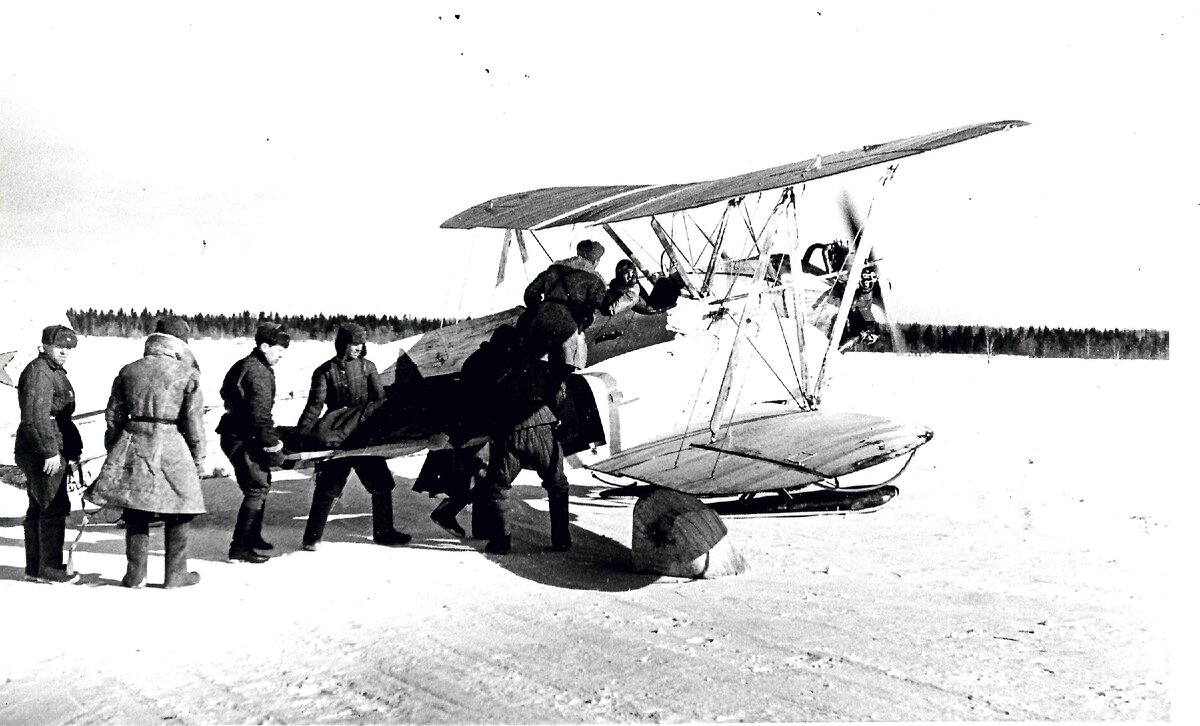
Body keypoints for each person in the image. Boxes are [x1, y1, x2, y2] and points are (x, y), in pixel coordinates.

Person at [85, 330, 206, 588]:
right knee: (180, 508)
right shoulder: (187, 374)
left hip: (134, 440)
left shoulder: (128, 371)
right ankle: (176, 575)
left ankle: (135, 574)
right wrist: (198, 459)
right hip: (172, 442)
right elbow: (194, 423)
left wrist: (115, 448)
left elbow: (113, 416)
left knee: (135, 506)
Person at [296, 323, 411, 551]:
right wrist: (303, 435)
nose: (358, 347)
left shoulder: (369, 368)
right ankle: (312, 538)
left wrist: (388, 430)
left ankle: (384, 532)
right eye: (353, 343)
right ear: (342, 344)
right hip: (337, 435)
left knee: (382, 484)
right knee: (328, 487)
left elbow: (381, 402)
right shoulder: (325, 372)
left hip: (365, 435)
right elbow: (314, 407)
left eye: (361, 343)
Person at [479, 351, 574, 555]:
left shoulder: (497, 367)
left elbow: (487, 404)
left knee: (498, 486)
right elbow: (559, 394)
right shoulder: (542, 366)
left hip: (510, 432)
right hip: (543, 428)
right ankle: (561, 539)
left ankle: (501, 542)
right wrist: (552, 417)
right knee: (557, 485)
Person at [14, 325, 84, 584]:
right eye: (59, 347)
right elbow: (34, 418)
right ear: (45, 345)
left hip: (48, 445)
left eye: (69, 348)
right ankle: (49, 567)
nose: (65, 351)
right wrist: (49, 452)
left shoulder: (51, 371)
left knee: (39, 505)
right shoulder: (39, 373)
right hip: (41, 449)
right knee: (52, 505)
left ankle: (36, 566)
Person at [217, 322, 290, 563]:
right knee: (256, 488)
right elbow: (260, 417)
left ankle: (253, 537)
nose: (281, 354)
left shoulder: (246, 365)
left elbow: (225, 392)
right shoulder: (258, 372)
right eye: (278, 349)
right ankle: (239, 548)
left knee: (261, 483)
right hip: (244, 437)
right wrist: (274, 447)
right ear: (264, 346)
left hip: (237, 433)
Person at [520, 239, 618, 368]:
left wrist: (542, 310)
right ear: (595, 261)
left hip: (541, 322)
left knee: (534, 366)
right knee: (567, 371)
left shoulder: (554, 270)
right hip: (568, 329)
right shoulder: (594, 279)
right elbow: (607, 308)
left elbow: (530, 293)